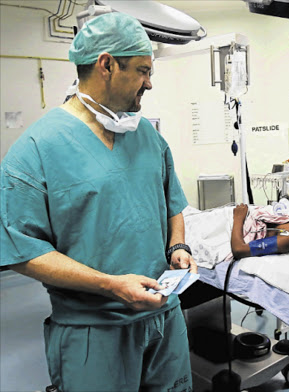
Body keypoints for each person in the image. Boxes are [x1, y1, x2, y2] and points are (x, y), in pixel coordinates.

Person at [0, 12, 196, 392]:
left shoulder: (148, 138)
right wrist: (110, 285)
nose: (150, 83)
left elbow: (173, 201)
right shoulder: (36, 150)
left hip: (164, 320)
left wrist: (178, 245)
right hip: (93, 331)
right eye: (142, 70)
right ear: (107, 64)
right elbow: (23, 250)